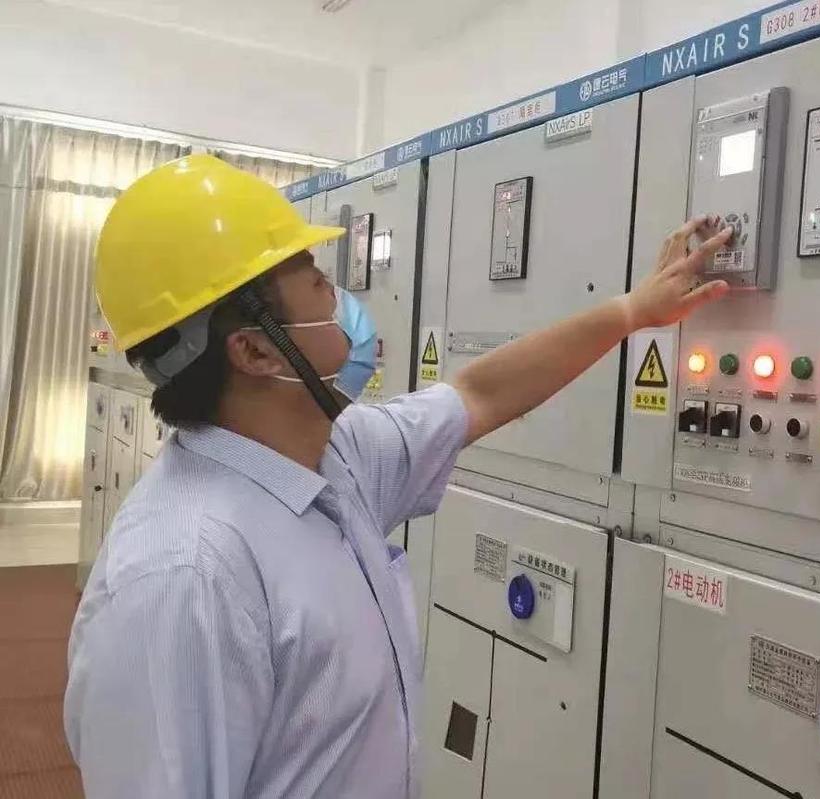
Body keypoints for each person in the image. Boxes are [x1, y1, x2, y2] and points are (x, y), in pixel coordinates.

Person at [64, 155, 732, 798]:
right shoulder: (183, 578)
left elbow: (478, 395)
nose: (338, 294)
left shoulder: (337, 452)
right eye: (314, 279)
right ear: (256, 349)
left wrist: (631, 312)